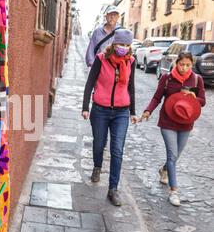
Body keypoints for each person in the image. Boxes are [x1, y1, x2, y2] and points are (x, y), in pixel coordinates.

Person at [140, 51, 206, 207]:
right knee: (172, 155)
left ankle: (164, 170)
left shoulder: (197, 79)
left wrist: (193, 96)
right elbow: (157, 97)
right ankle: (174, 191)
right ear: (176, 63)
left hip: (186, 122)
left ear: (192, 64)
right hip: (168, 121)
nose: (184, 68)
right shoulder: (167, 78)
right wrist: (148, 111)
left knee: (175, 156)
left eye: (188, 65)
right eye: (181, 64)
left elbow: (202, 101)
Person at [82, 29, 139, 206]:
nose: (124, 48)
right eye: (121, 44)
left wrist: (133, 112)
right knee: (99, 144)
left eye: (127, 45)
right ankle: (97, 166)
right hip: (100, 110)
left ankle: (113, 189)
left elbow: (131, 87)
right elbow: (90, 83)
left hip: (121, 112)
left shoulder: (131, 62)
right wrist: (85, 107)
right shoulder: (101, 59)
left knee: (117, 149)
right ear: (114, 44)